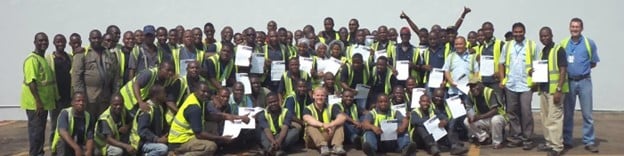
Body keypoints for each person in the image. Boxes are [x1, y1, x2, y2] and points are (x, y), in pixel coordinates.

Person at [561, 17, 600, 153]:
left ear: (581, 28)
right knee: (568, 113)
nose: (574, 29)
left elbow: (593, 62)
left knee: (587, 114)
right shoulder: (564, 44)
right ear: (569, 28)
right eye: (572, 26)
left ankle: (589, 141)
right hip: (569, 82)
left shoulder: (589, 44)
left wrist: (581, 71)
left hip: (584, 82)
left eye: (577, 27)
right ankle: (567, 140)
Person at [498, 22, 538, 150]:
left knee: (526, 112)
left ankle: (527, 138)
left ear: (524, 32)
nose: (518, 34)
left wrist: (536, 81)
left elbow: (538, 64)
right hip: (511, 84)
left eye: (520, 32)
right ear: (513, 32)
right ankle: (516, 136)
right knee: (512, 112)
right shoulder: (507, 46)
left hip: (526, 85)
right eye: (516, 32)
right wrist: (502, 79)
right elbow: (501, 64)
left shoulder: (532, 45)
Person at [168, 84, 229, 156]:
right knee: (211, 146)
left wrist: (227, 117)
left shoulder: (196, 99)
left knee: (212, 125)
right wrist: (220, 138)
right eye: (203, 91)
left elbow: (208, 117)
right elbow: (199, 134)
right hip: (179, 142)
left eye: (207, 92)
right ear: (196, 91)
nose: (206, 94)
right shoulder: (194, 108)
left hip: (188, 136)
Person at [22, 32, 57, 156]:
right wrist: (38, 102)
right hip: (35, 105)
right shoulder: (32, 60)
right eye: (40, 40)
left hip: (43, 104)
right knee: (36, 135)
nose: (43, 43)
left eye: (45, 40)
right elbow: (31, 82)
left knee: (40, 133)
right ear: (35, 42)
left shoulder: (42, 59)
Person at [535, 26, 568, 156]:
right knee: (545, 118)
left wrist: (559, 89)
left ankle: (557, 147)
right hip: (544, 89)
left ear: (551, 35)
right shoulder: (542, 51)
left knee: (555, 118)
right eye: (542, 36)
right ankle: (549, 143)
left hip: (555, 91)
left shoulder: (558, 50)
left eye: (546, 35)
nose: (544, 38)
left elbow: (563, 70)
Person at [72, 30, 121, 117]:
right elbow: (76, 77)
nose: (96, 40)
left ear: (102, 39)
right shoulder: (82, 54)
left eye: (98, 38)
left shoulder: (110, 54)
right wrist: (81, 97)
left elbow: (116, 77)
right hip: (89, 96)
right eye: (94, 38)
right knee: (89, 122)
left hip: (106, 96)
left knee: (103, 121)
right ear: (89, 39)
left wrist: (115, 94)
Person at [463, 78, 507, 149]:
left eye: (475, 85)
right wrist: (471, 116)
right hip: (484, 118)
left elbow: (494, 110)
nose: (473, 88)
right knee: (466, 121)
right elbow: (469, 107)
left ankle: (497, 142)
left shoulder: (489, 92)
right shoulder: (471, 93)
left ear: (480, 85)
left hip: (497, 117)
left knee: (495, 120)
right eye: (471, 86)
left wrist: (479, 117)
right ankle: (484, 138)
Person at [303, 88, 347, 156]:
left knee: (339, 124)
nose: (320, 97)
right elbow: (307, 118)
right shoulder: (308, 108)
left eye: (322, 95)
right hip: (313, 140)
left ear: (325, 96)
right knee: (310, 126)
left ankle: (337, 147)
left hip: (327, 135)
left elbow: (342, 117)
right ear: (313, 96)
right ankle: (322, 147)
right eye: (317, 95)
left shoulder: (331, 107)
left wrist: (331, 124)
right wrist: (323, 125)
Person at [47, 34, 73, 145]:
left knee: (68, 124)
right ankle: (53, 148)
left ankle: (66, 148)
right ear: (54, 43)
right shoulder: (49, 59)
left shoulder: (70, 57)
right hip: (56, 98)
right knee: (55, 125)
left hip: (69, 97)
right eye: (58, 41)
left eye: (62, 41)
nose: (60, 44)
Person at [130, 85, 169, 156]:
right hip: (142, 142)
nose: (165, 95)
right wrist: (157, 140)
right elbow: (142, 131)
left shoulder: (159, 107)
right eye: (163, 93)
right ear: (156, 95)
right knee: (163, 149)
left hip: (152, 140)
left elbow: (164, 125)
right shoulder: (147, 110)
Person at [431, 88, 469, 155]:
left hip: (445, 128)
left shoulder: (445, 104)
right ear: (432, 96)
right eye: (437, 97)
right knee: (451, 122)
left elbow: (452, 115)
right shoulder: (429, 105)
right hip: (434, 130)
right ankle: (454, 146)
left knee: (454, 120)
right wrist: (442, 120)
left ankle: (454, 144)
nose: (439, 99)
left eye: (441, 97)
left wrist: (461, 106)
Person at [474, 22, 505, 99]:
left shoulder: (500, 44)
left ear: (493, 30)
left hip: (496, 81)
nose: (488, 31)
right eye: (485, 29)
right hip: (484, 81)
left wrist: (501, 73)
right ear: (482, 31)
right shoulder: (482, 47)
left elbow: (507, 61)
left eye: (489, 29)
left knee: (498, 104)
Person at [443, 36, 478, 100]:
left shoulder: (472, 56)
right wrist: (451, 82)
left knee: (468, 109)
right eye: (456, 44)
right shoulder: (451, 56)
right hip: (453, 91)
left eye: (460, 44)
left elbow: (476, 72)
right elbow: (446, 70)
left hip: (468, 91)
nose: (458, 46)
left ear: (465, 44)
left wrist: (472, 83)